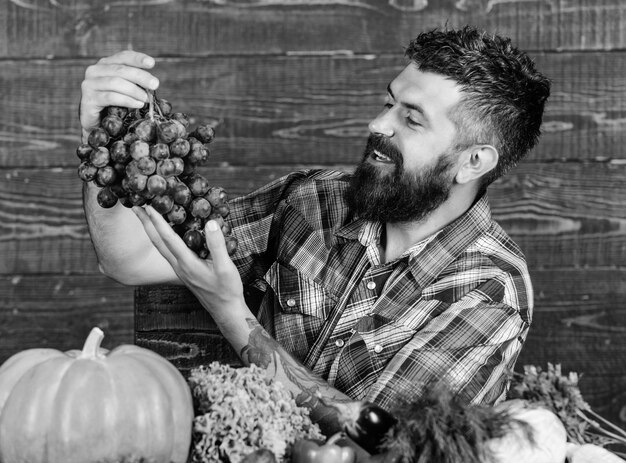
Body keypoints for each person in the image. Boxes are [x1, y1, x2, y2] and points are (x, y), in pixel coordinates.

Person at [79, 25, 551, 434]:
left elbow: (386, 442)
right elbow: (128, 258)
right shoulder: (314, 200)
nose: (378, 124)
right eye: (389, 102)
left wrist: (232, 314)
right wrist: (101, 134)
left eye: (410, 119)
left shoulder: (489, 291)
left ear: (473, 162)